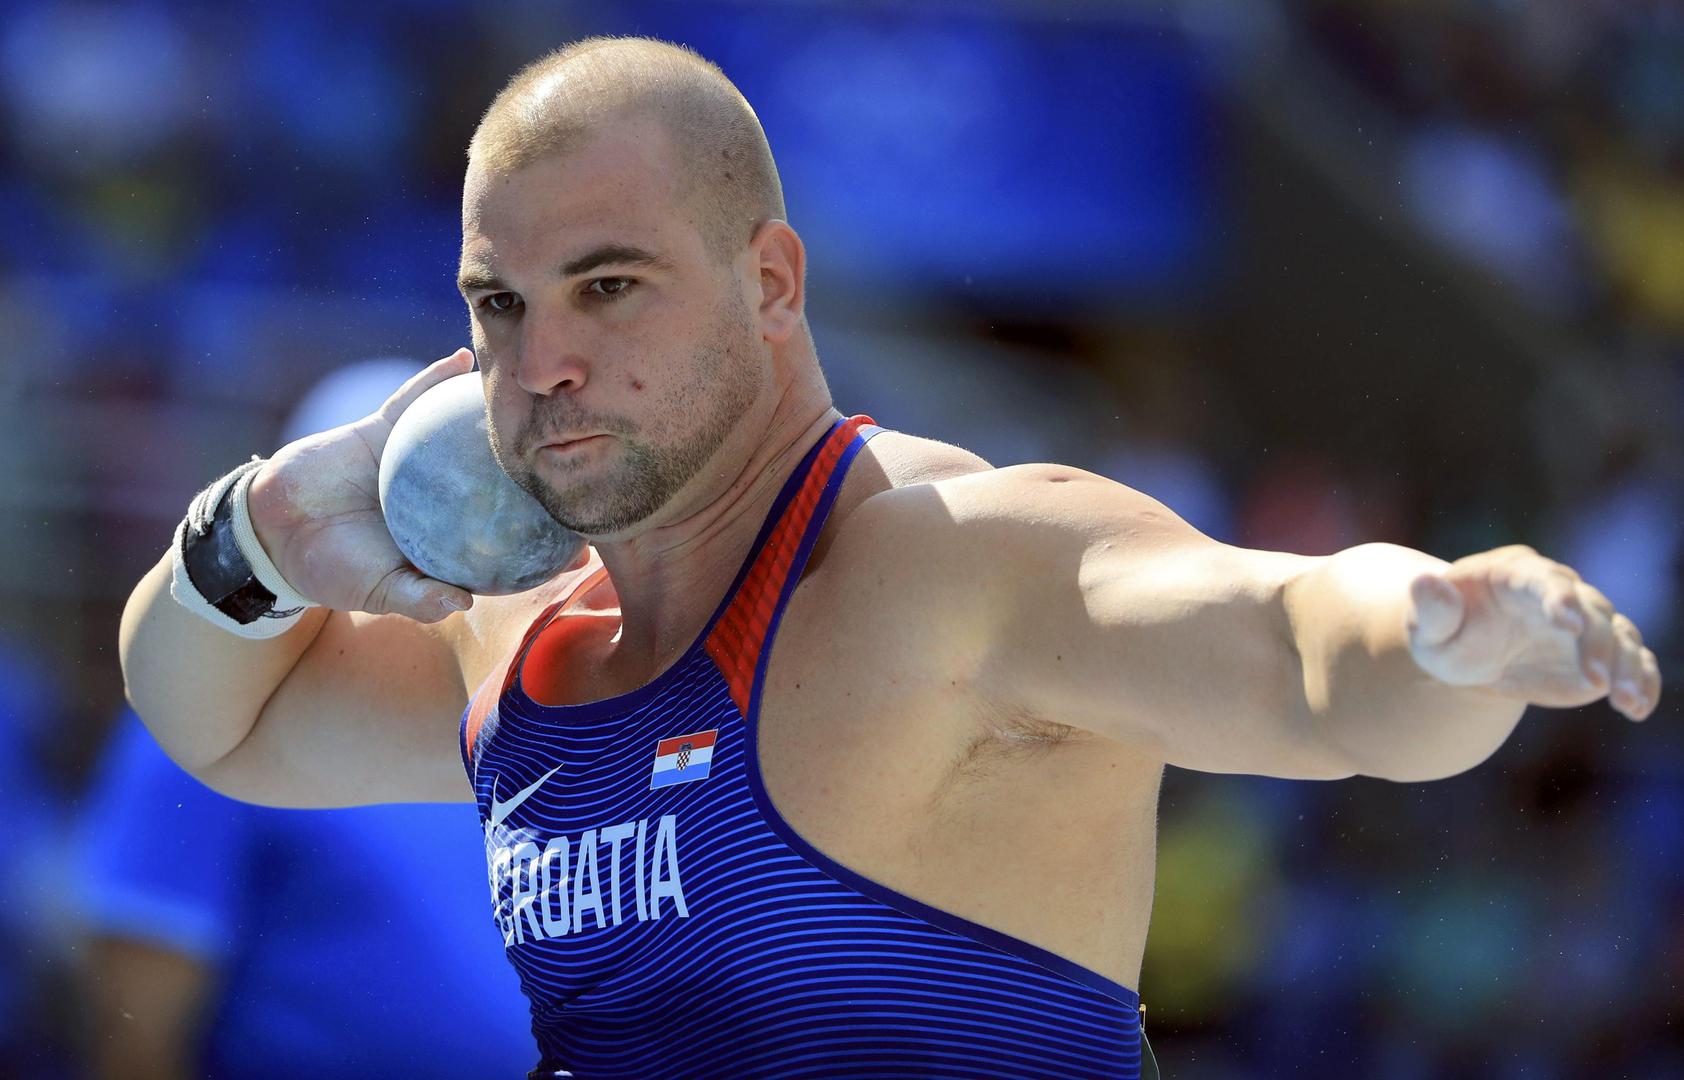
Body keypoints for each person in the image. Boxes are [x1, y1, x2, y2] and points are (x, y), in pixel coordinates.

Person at [117, 36, 1663, 1080]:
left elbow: (1300, 657)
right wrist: (260, 531)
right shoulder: (518, 641)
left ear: (772, 283)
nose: (543, 364)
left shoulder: (951, 567)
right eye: (498, 305)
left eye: (609, 286)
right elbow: (218, 721)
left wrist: (1442, 630)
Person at [77, 361, 535, 1080]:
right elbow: (137, 1019)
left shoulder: (504, 678)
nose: (441, 535)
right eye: (400, 505)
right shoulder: (212, 706)